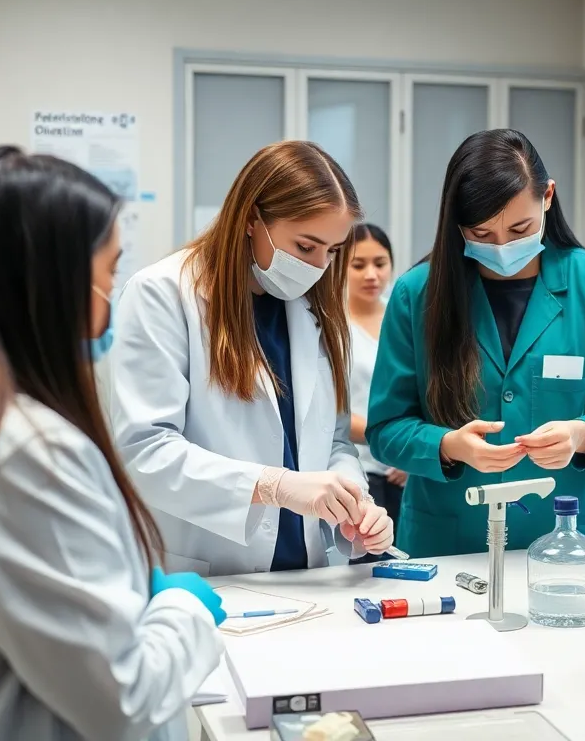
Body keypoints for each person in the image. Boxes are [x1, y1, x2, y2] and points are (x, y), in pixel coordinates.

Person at [0, 148, 223, 741]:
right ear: (45, 285)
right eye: (110, 276)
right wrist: (184, 611)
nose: (110, 302)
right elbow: (123, 704)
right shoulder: (22, 451)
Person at [109, 141, 393, 578]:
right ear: (250, 220)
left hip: (309, 572)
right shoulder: (163, 294)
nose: (319, 267)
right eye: (305, 246)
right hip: (211, 571)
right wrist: (272, 486)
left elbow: (334, 441)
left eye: (333, 251)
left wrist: (354, 502)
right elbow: (145, 452)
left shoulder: (311, 307)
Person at [368, 129, 585, 557]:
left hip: (572, 541)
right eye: (481, 234)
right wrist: (447, 446)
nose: (502, 248)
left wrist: (583, 433)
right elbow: (386, 429)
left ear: (548, 197)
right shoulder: (416, 293)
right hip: (448, 541)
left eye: (520, 228)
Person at [347, 222, 406, 525]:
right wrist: (395, 441)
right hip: (354, 468)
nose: (371, 275)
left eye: (380, 264)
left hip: (402, 474)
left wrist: (412, 456)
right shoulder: (329, 327)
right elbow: (328, 410)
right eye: (358, 265)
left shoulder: (404, 319)